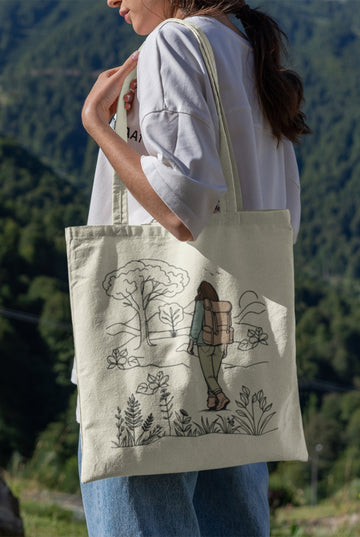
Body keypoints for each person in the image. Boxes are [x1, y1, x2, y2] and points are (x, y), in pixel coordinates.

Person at [76, 0, 310, 534]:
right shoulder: (249, 51)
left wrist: (98, 124)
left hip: (153, 360)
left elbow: (182, 208)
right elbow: (282, 216)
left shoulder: (172, 43)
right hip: (239, 361)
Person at [187, 280, 232, 411]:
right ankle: (211, 401)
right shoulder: (219, 306)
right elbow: (226, 327)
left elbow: (196, 324)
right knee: (213, 375)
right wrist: (226, 346)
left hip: (204, 343)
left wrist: (191, 343)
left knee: (208, 375)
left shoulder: (201, 303)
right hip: (218, 344)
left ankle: (221, 397)